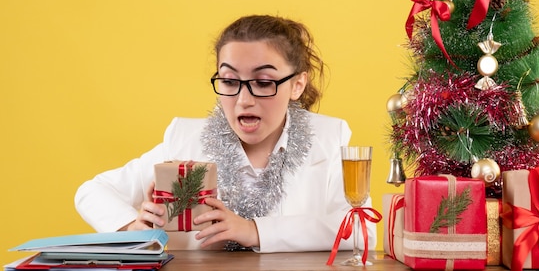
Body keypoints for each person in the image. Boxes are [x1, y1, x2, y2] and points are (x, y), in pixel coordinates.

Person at [75, 14, 376, 253]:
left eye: (263, 82)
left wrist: (253, 230)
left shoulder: (328, 137)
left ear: (297, 84)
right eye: (230, 81)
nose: (244, 99)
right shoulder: (185, 138)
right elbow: (91, 192)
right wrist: (132, 228)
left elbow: (363, 230)